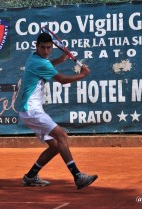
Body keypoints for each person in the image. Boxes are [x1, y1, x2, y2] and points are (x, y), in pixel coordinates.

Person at [18, 32, 98, 190]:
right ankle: (77, 176)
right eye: (43, 48)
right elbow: (62, 80)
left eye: (49, 48)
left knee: (55, 146)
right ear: (37, 46)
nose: (46, 51)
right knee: (62, 135)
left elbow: (46, 66)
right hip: (31, 110)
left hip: (29, 111)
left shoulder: (33, 57)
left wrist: (61, 60)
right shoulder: (41, 63)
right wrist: (82, 75)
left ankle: (31, 176)